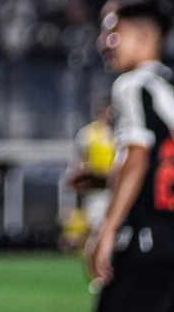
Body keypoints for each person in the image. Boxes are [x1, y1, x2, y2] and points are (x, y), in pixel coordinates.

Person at [85, 0, 174, 312]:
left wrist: (106, 229)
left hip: (146, 238)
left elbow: (137, 157)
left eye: (112, 32)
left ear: (144, 35)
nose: (103, 42)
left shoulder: (132, 85)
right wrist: (104, 180)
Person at [67, 98, 116, 243]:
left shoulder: (122, 133)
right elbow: (78, 163)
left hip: (116, 189)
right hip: (96, 193)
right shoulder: (88, 133)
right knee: (98, 231)